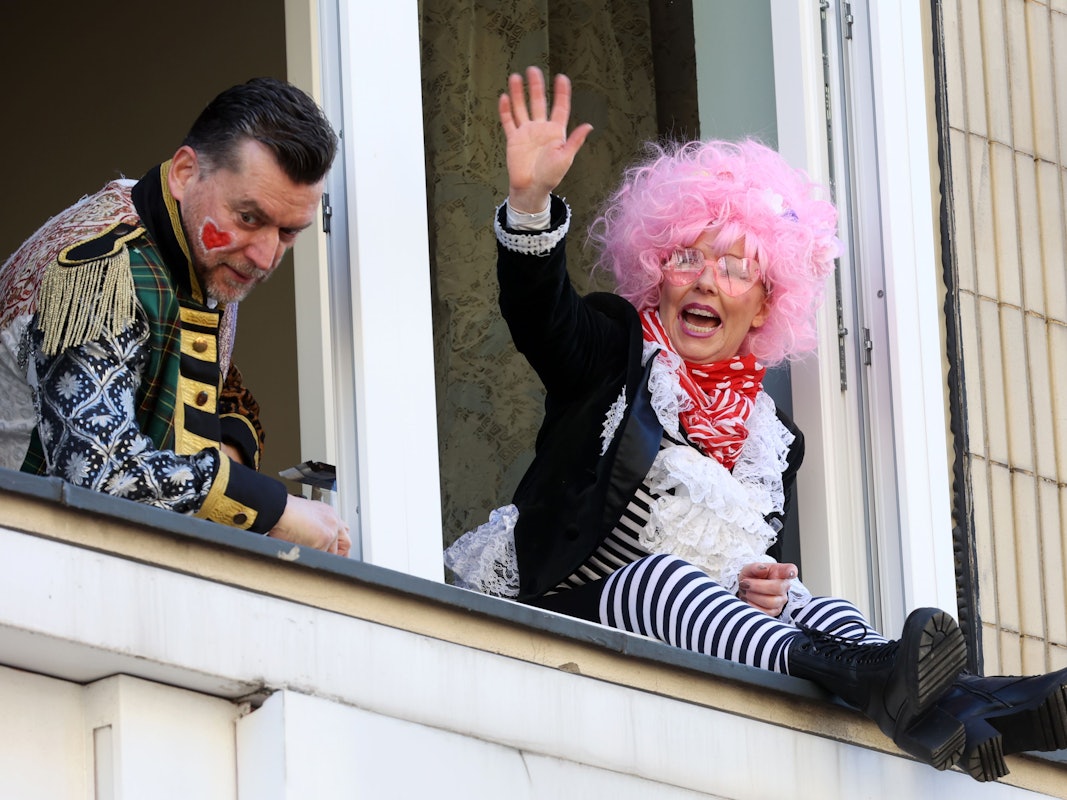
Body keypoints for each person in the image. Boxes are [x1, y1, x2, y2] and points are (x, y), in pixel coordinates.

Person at [445, 66, 1067, 782]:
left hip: (684, 636)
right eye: (685, 257)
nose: (705, 279)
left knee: (815, 605)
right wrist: (530, 201)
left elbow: (732, 577)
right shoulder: (612, 353)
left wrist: (759, 590)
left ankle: (976, 706)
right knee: (662, 581)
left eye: (734, 266)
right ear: (656, 273)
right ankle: (905, 689)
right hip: (572, 601)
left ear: (767, 301)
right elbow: (539, 314)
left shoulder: (772, 440)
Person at [0, 77, 350, 556]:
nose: (267, 256)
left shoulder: (194, 245)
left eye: (288, 232)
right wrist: (274, 509)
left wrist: (225, 461)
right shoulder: (104, 271)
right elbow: (100, 474)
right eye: (249, 217)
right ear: (185, 173)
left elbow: (214, 387)